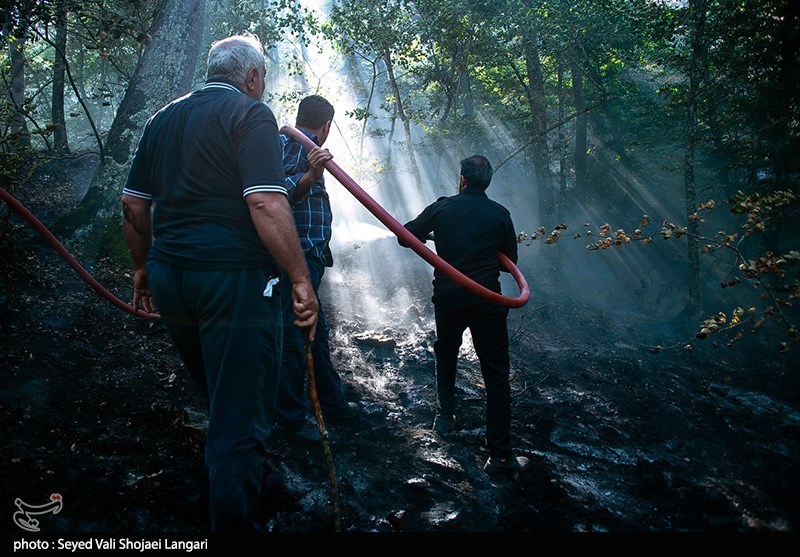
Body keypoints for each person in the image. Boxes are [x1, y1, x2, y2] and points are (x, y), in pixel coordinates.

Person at [121, 34, 319, 531]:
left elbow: (134, 205)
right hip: (232, 281)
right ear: (252, 77)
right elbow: (266, 202)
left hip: (172, 279)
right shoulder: (251, 115)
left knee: (222, 393)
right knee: (237, 414)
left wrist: (143, 267)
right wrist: (300, 278)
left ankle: (257, 483)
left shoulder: (161, 118)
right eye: (264, 78)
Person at [400, 155, 529, 476]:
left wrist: (436, 235)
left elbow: (405, 236)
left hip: (449, 299)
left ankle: (445, 419)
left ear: (462, 179)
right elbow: (508, 261)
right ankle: (499, 456)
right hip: (488, 302)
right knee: (496, 374)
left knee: (447, 354)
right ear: (486, 182)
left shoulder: (442, 208)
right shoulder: (500, 214)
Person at [275, 95, 359, 442]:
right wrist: (311, 175)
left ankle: (333, 405)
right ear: (326, 125)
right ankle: (293, 419)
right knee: (297, 337)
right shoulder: (295, 147)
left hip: (304, 257)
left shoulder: (295, 146)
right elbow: (277, 193)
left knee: (314, 333)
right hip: (295, 259)